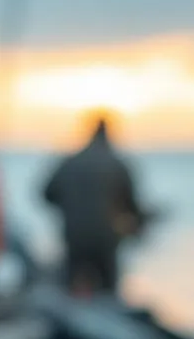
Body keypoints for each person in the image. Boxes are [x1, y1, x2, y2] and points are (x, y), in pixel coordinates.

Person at [41, 113, 146, 296]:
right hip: (105, 239)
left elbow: (46, 194)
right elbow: (131, 205)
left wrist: (70, 208)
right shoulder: (117, 164)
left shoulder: (70, 162)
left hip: (74, 236)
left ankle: (68, 315)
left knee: (70, 287)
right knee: (108, 290)